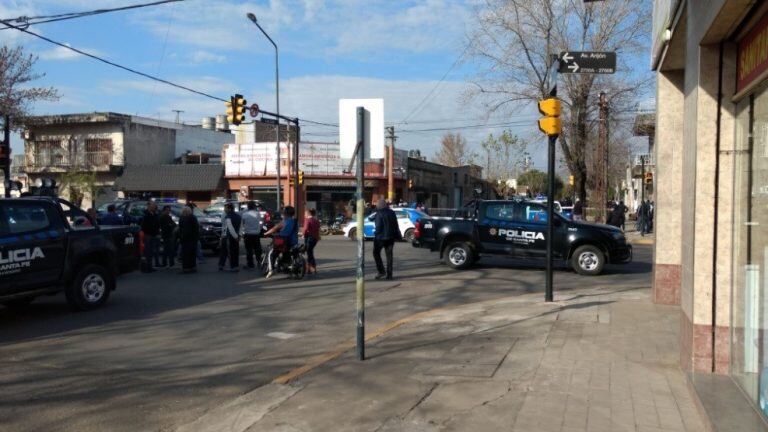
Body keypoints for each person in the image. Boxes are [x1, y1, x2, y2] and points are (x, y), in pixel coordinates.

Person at [264, 206, 298, 279]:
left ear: (285, 213)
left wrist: (266, 233)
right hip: (293, 242)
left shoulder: (284, 222)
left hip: (282, 241)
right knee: (286, 253)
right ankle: (286, 267)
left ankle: (271, 270)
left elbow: (274, 229)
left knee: (271, 254)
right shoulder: (295, 221)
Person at [373, 198, 401, 280]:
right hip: (391, 237)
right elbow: (396, 224)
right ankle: (389, 274)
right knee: (389, 255)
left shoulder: (379, 213)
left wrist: (376, 234)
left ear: (379, 205)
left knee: (376, 253)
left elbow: (378, 227)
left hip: (381, 238)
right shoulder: (392, 212)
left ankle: (381, 271)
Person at [218, 203, 241, 272]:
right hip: (235, 235)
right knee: (235, 251)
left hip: (228, 236)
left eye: (226, 208)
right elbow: (241, 226)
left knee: (228, 251)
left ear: (229, 208)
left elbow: (229, 228)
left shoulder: (227, 216)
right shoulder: (238, 216)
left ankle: (231, 266)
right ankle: (234, 265)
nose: (224, 209)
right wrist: (239, 235)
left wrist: (236, 236)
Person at [241, 201, 263, 269]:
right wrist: (259, 229)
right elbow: (261, 223)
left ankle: (250, 264)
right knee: (257, 248)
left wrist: (242, 232)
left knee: (249, 250)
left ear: (248, 207)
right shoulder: (258, 214)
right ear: (254, 207)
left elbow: (242, 224)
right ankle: (259, 261)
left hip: (247, 234)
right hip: (256, 234)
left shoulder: (245, 214)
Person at [140, 202, 161, 272]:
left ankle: (150, 266)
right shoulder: (146, 215)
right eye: (153, 206)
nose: (155, 208)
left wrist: (157, 232)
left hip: (153, 234)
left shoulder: (155, 214)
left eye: (155, 206)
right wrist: (148, 231)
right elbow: (143, 226)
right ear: (149, 207)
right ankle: (147, 267)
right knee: (147, 251)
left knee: (151, 251)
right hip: (148, 235)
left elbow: (157, 224)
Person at [178, 206, 199, 273]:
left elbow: (181, 229)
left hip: (186, 239)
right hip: (192, 239)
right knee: (192, 254)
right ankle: (193, 267)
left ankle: (186, 268)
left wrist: (180, 237)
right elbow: (196, 228)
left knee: (186, 254)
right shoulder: (193, 217)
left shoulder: (183, 218)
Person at [302, 208, 321, 274]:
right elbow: (318, 228)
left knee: (309, 253)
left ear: (308, 214)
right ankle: (312, 267)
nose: (304, 215)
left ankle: (311, 268)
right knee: (310, 252)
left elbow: (306, 228)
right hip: (315, 238)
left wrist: (303, 234)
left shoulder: (307, 220)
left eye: (305, 213)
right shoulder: (316, 220)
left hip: (309, 238)